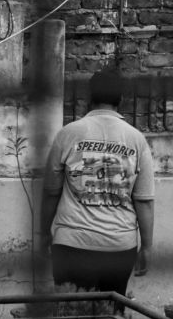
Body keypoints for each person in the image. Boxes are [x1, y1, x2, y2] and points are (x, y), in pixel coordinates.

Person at [40, 67, 155, 297]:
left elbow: (51, 191)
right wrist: (147, 246)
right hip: (119, 247)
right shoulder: (136, 139)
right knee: (109, 309)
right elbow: (144, 201)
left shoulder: (67, 134)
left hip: (72, 244)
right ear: (121, 99)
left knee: (73, 310)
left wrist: (43, 232)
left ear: (89, 97)